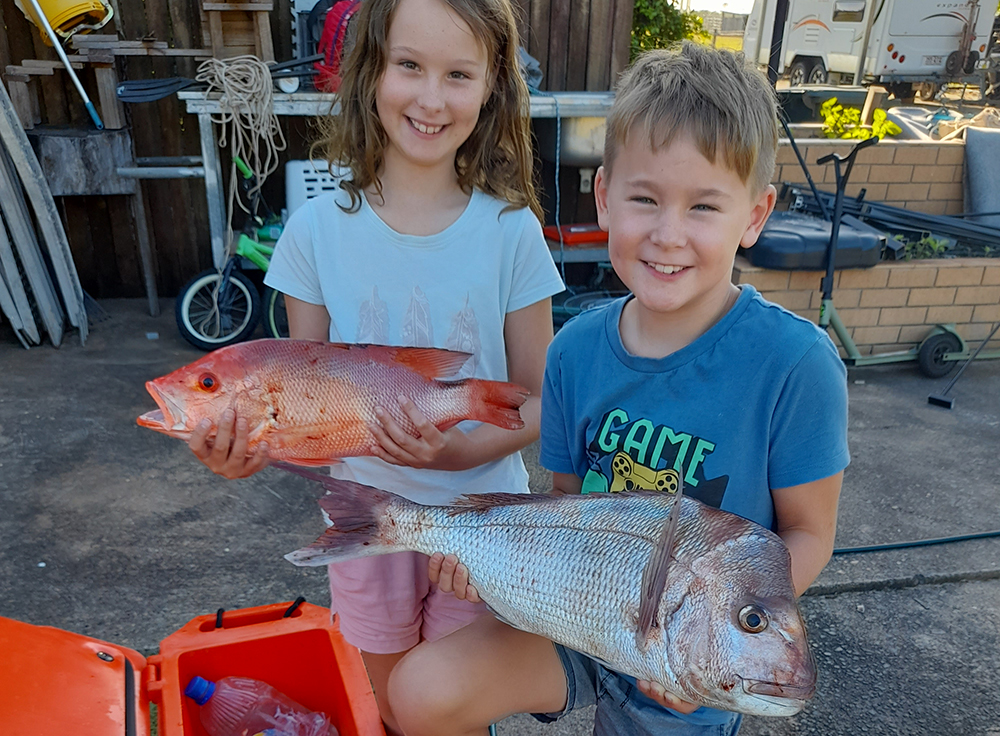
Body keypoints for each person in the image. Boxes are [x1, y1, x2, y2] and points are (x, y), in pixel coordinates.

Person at [387, 42, 850, 736]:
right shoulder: (574, 352)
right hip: (581, 617)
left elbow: (810, 532)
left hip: (687, 649)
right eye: (644, 199)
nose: (668, 235)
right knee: (418, 692)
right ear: (605, 196)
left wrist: (730, 631)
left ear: (754, 214)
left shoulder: (796, 364)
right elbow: (568, 510)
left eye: (704, 206)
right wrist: (486, 567)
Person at [184, 0, 564, 732]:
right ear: (370, 74)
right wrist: (250, 449)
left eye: (459, 74)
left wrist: (457, 458)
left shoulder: (513, 231)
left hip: (479, 521)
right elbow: (301, 407)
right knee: (387, 710)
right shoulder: (314, 233)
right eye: (409, 65)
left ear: (492, 88)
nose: (430, 97)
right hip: (364, 521)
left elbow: (542, 400)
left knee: (448, 713)